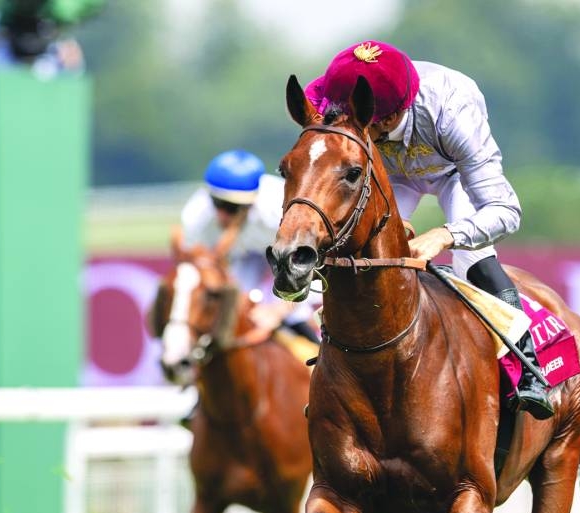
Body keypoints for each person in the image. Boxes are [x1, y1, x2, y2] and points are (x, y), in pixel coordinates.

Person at [303, 39, 553, 420]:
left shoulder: (453, 113)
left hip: (453, 174)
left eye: (359, 119)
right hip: (388, 178)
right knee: (352, 249)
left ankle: (528, 364)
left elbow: (506, 210)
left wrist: (444, 235)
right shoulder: (338, 102)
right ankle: (334, 366)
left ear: (385, 119)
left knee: (472, 258)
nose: (341, 119)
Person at [181, 149, 320, 344]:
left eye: (231, 208)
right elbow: (202, 271)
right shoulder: (196, 216)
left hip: (288, 256)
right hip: (240, 255)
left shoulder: (280, 209)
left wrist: (277, 312)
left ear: (252, 201)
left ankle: (315, 346)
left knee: (293, 310)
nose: (222, 215)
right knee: (232, 304)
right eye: (216, 203)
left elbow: (306, 268)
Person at [0, 1, 104, 79]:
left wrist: (72, 61)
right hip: (2, 82)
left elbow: (74, 72)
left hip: (42, 92)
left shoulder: (51, 21)